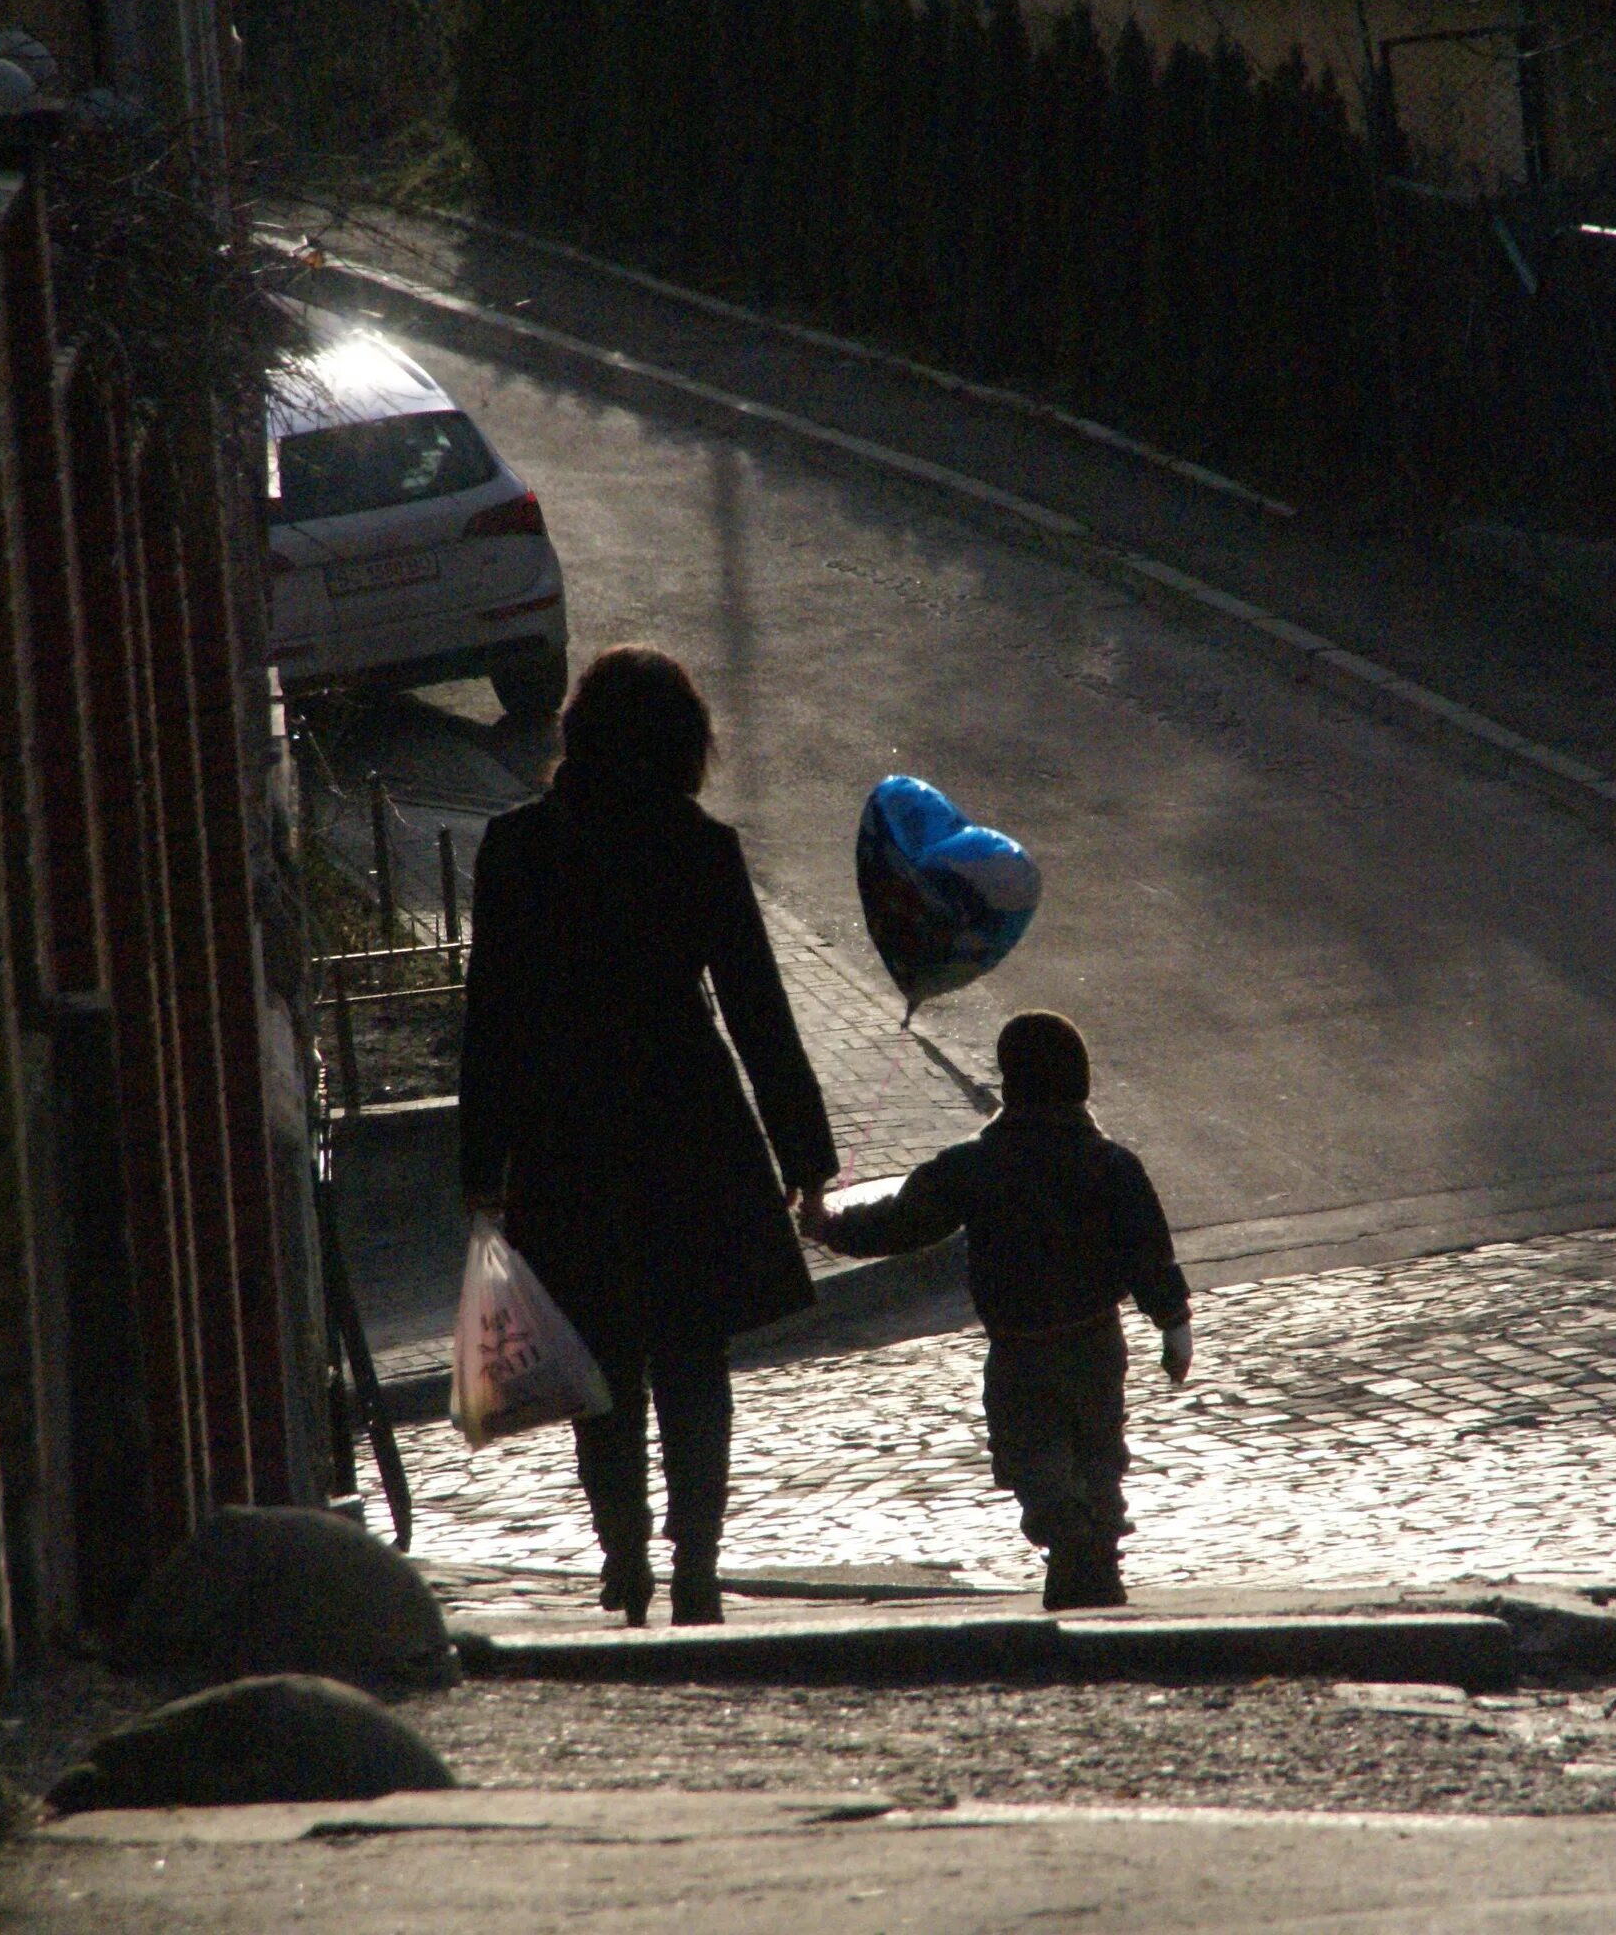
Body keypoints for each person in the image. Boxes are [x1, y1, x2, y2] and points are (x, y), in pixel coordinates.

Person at [458, 647, 839, 1627]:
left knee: (601, 1368)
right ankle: (697, 1566)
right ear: (684, 743)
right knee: (691, 1358)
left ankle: (623, 1559)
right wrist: (807, 1164)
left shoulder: (517, 847)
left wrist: (482, 1168)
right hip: (688, 1125)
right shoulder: (698, 846)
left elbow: (491, 1014)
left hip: (563, 1130)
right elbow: (759, 1009)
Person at [803, 1011, 1191, 1609]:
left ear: (1008, 1083)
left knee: (1030, 1454)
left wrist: (833, 1229)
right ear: (1080, 1083)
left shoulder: (974, 1162)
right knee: (1098, 1450)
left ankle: (1068, 1547)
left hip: (1018, 1346)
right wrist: (1174, 1324)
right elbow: (1149, 1252)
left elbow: (903, 1223)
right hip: (1094, 1339)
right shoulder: (1111, 1163)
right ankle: (1098, 1555)